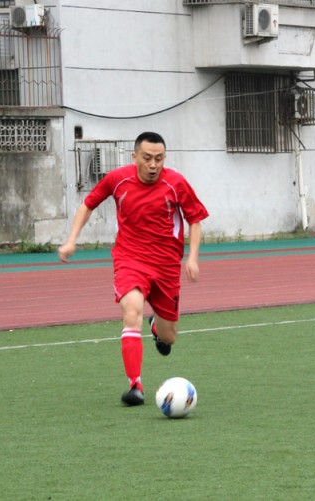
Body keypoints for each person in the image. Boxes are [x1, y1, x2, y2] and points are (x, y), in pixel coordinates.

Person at [58, 132, 209, 407]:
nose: (153, 165)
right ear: (135, 157)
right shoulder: (118, 179)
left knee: (169, 337)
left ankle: (156, 329)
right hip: (130, 259)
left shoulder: (176, 183)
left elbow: (195, 219)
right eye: (147, 158)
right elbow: (88, 205)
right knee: (131, 312)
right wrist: (71, 241)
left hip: (166, 265)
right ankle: (135, 386)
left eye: (159, 159)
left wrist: (193, 258)